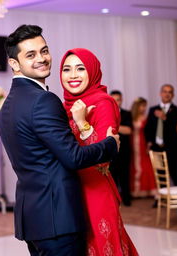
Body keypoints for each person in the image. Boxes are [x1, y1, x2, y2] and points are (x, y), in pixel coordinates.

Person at [0, 25, 119, 256]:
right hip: (58, 219)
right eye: (31, 55)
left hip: (33, 218)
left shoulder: (9, 104)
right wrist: (110, 144)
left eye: (44, 51)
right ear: (14, 63)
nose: (42, 59)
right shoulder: (43, 100)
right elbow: (73, 157)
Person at [60, 48, 138, 256]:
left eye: (80, 68)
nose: (73, 75)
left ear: (92, 71)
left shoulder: (103, 103)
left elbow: (104, 157)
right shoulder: (63, 106)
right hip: (70, 191)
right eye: (67, 69)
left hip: (95, 190)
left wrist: (82, 122)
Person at [145, 84, 177, 186]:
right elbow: (148, 128)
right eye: (165, 91)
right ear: (160, 93)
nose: (167, 94)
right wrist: (149, 142)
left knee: (175, 175)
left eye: (170, 92)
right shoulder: (153, 109)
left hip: (172, 148)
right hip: (156, 148)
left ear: (173, 95)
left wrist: (165, 118)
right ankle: (162, 200)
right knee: (159, 175)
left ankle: (176, 199)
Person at [109, 90, 133, 206]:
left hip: (124, 151)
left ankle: (127, 200)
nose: (116, 102)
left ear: (121, 100)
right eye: (113, 99)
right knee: (112, 178)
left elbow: (128, 130)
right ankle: (114, 201)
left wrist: (113, 126)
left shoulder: (127, 114)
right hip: (110, 151)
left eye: (118, 99)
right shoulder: (105, 112)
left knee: (125, 176)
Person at [130, 97, 156, 198]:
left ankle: (146, 190)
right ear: (137, 106)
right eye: (142, 106)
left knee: (145, 166)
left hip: (142, 143)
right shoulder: (131, 117)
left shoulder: (146, 118)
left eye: (145, 106)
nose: (144, 108)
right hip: (132, 143)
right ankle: (135, 191)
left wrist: (149, 144)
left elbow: (150, 132)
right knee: (133, 166)